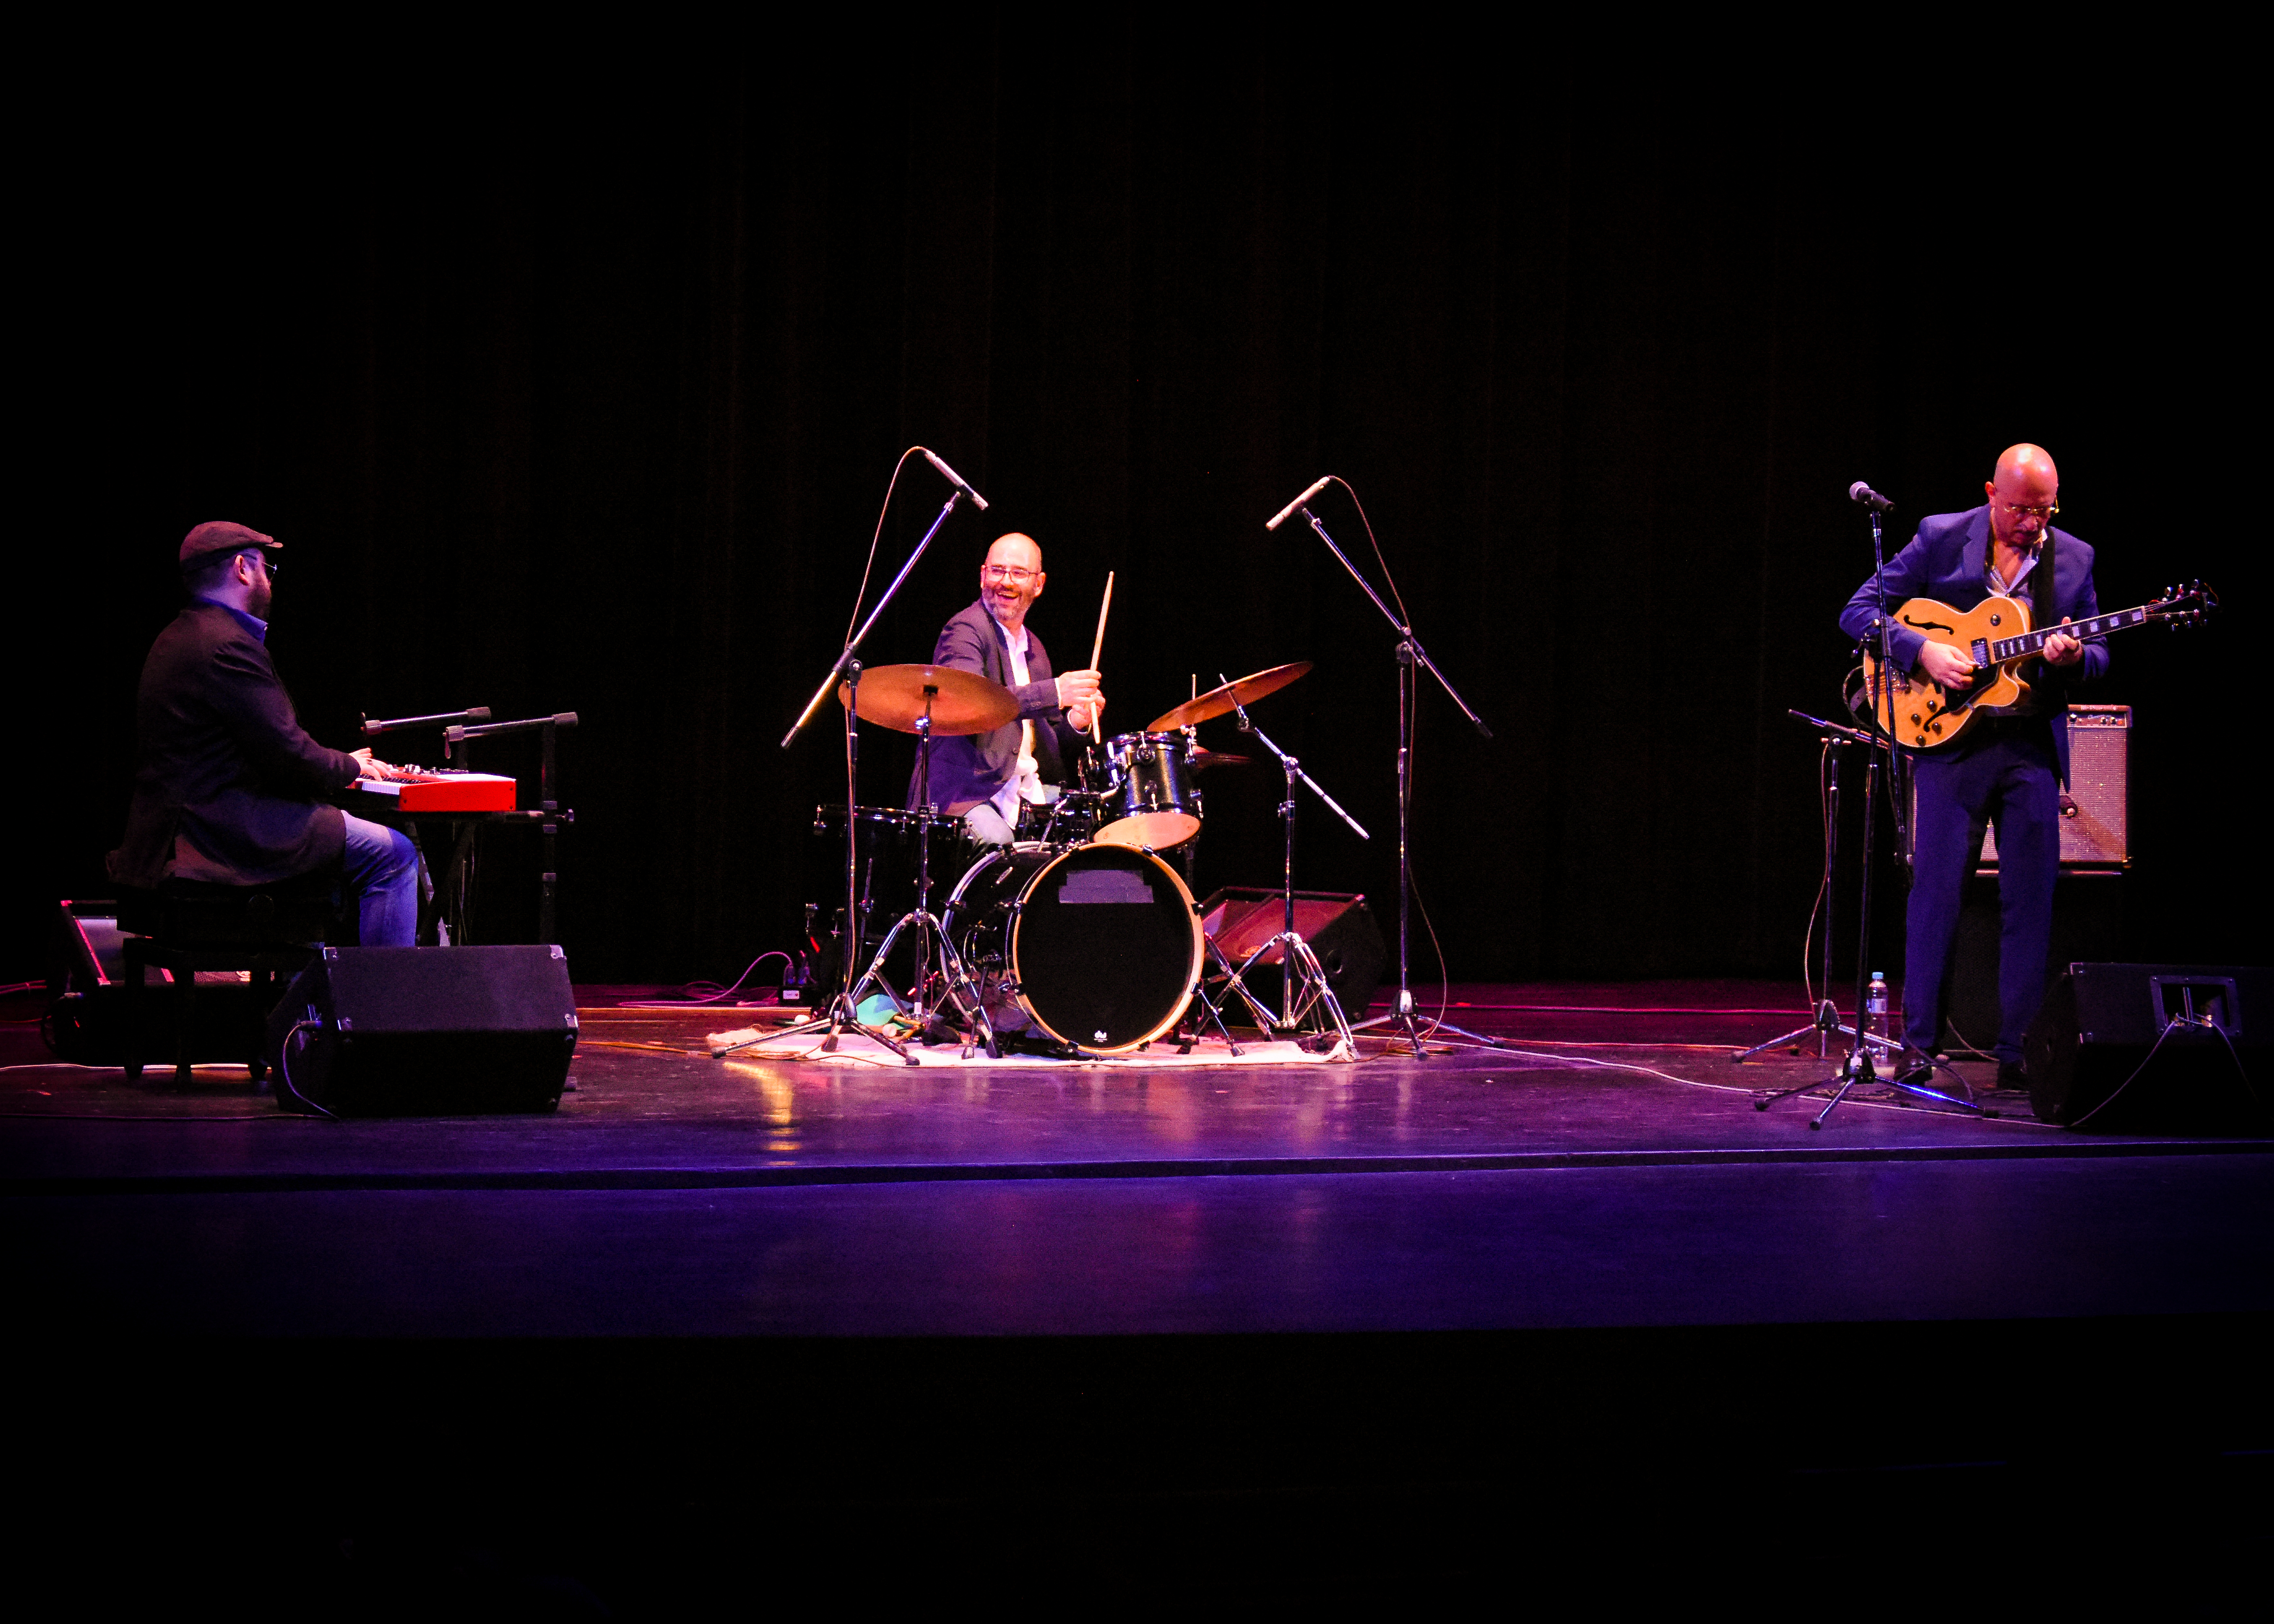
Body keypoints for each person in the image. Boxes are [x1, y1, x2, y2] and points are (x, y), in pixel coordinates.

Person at [1839, 444, 2108, 1088]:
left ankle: (2019, 1055)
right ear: (1991, 492)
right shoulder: (1940, 537)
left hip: (2030, 748)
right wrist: (1923, 651)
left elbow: (2098, 654)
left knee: (2030, 903)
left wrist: (2075, 659)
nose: (2033, 524)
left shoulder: (2075, 558)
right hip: (1950, 745)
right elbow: (1858, 612)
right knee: (1935, 895)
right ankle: (1920, 1046)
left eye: (2045, 511)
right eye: (2020, 509)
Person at [107, 521, 422, 946]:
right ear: (242, 568)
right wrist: (352, 766)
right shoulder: (227, 645)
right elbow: (289, 753)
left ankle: (308, 1002)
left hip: (181, 830)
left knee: (329, 857)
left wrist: (332, 767)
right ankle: (382, 1011)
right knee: (394, 853)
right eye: (265, 567)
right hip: (223, 833)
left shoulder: (177, 636)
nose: (269, 579)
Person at [910, 532, 1106, 844]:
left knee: (1091, 821)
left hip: (1021, 790)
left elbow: (1048, 752)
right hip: (967, 792)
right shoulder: (965, 630)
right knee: (996, 841)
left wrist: (1076, 721)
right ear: (983, 576)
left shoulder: (1035, 649)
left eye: (1019, 573)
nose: (1007, 582)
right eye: (998, 570)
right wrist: (1055, 692)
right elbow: (972, 702)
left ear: (1039, 584)